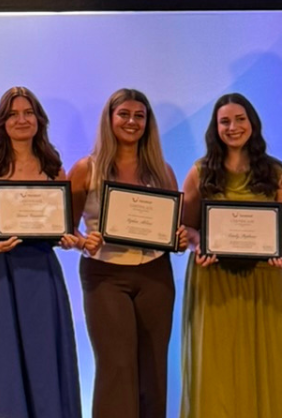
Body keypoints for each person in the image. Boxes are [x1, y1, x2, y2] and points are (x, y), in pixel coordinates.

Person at [179, 93, 282, 417]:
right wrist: (197, 245)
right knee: (216, 367)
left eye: (240, 119)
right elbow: (185, 228)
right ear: (215, 128)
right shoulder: (199, 172)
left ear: (252, 124)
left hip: (263, 281)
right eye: (225, 121)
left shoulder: (276, 173)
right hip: (212, 281)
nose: (233, 127)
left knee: (266, 362)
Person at [64, 88, 185, 418]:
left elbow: (173, 231)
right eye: (124, 114)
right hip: (105, 274)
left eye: (139, 116)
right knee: (116, 365)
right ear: (109, 119)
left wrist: (180, 239)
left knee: (154, 367)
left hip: (154, 274)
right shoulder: (85, 169)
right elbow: (67, 229)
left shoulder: (163, 170)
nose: (132, 122)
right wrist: (81, 241)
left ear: (148, 123)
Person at [0, 86, 82, 418]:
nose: (21, 119)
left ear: (39, 119)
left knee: (44, 357)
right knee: (1, 357)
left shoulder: (53, 165)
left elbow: (63, 228)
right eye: (13, 114)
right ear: (0, 121)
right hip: (0, 273)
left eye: (28, 113)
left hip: (43, 275)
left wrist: (70, 239)